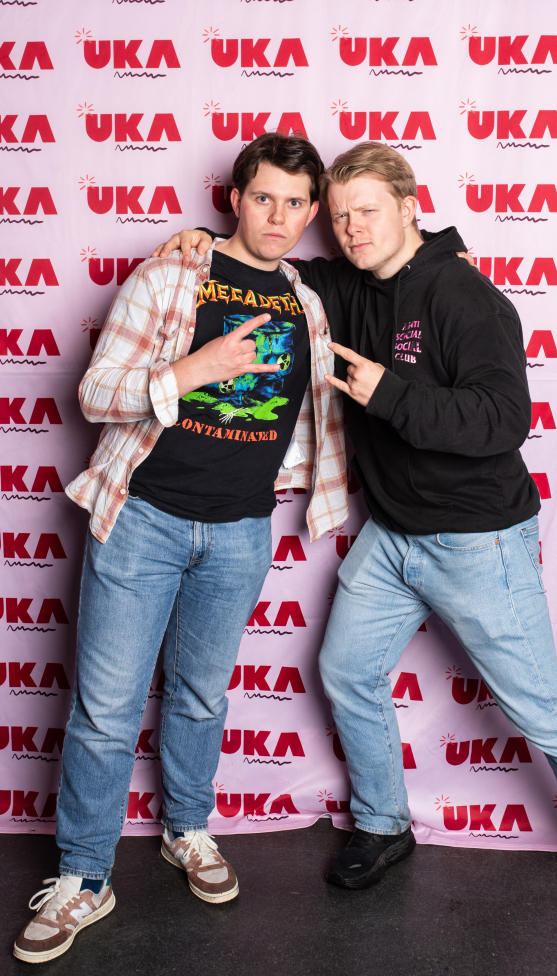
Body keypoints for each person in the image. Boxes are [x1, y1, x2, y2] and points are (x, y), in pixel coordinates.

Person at [154, 140, 557, 966]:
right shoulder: (343, 284)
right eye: (340, 216)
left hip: (477, 541)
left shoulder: (465, 297)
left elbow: (503, 421)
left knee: (544, 709)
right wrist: (201, 244)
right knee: (347, 670)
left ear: (410, 208)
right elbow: (269, 266)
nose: (352, 229)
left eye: (368, 212)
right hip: (392, 536)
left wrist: (390, 395)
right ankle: (386, 823)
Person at [13, 133, 350, 965]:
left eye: (295, 203)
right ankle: (85, 874)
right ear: (235, 198)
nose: (278, 217)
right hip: (145, 520)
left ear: (313, 212)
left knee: (201, 697)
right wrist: (194, 369)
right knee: (106, 707)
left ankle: (186, 829)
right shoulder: (171, 276)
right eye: (263, 197)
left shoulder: (308, 305)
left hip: (240, 530)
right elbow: (95, 394)